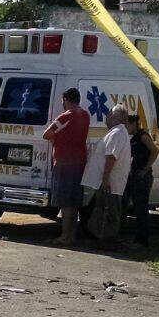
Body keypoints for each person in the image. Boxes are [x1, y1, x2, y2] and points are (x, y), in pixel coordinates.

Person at [42, 87, 90, 245]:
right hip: (79, 161)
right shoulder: (85, 115)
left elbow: (46, 134)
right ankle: (71, 235)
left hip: (64, 162)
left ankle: (65, 236)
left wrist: (56, 139)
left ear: (66, 100)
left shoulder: (66, 116)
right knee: (74, 201)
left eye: (63, 100)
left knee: (65, 202)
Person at [80, 104, 132, 247]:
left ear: (116, 117)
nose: (106, 118)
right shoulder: (117, 132)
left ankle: (107, 241)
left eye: (109, 115)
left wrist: (105, 178)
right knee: (103, 210)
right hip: (108, 181)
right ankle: (101, 238)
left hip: (111, 182)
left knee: (110, 212)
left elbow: (111, 157)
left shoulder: (117, 133)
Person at [124, 110, 159, 246]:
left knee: (142, 208)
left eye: (127, 124)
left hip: (143, 176)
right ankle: (138, 237)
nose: (126, 128)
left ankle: (143, 239)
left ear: (133, 123)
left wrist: (145, 168)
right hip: (135, 174)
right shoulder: (133, 138)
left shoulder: (143, 136)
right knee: (136, 208)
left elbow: (154, 151)